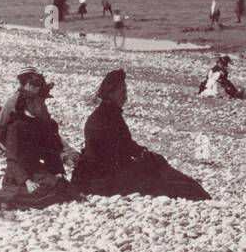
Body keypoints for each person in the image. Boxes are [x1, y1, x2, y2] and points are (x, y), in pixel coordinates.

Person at [72, 70, 211, 200]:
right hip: (102, 179)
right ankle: (197, 194)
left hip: (97, 175)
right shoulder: (107, 116)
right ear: (112, 93)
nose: (125, 95)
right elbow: (120, 150)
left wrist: (143, 153)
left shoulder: (106, 113)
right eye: (122, 91)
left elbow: (124, 145)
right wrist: (144, 157)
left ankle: (195, 192)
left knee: (156, 165)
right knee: (158, 173)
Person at [0, 83, 84, 210]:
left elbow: (50, 152)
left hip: (36, 170)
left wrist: (58, 172)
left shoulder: (41, 123)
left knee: (62, 186)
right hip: (18, 175)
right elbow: (12, 160)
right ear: (29, 103)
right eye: (40, 102)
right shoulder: (16, 126)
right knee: (50, 191)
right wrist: (27, 181)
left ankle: (12, 200)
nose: (44, 106)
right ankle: (1, 198)